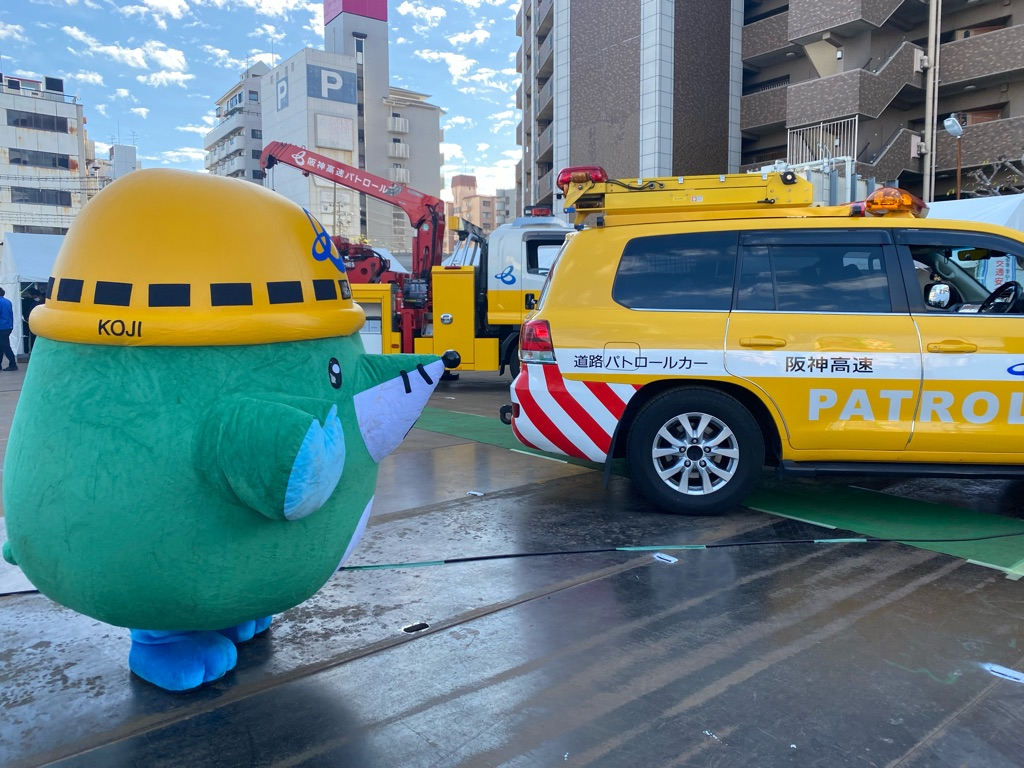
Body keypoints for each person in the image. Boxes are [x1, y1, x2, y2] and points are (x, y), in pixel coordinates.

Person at [0, 287, 18, 371]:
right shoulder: (8, 302)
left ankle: (13, 364)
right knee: (2, 346)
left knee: (5, 346)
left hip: (2, 326)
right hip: (8, 326)